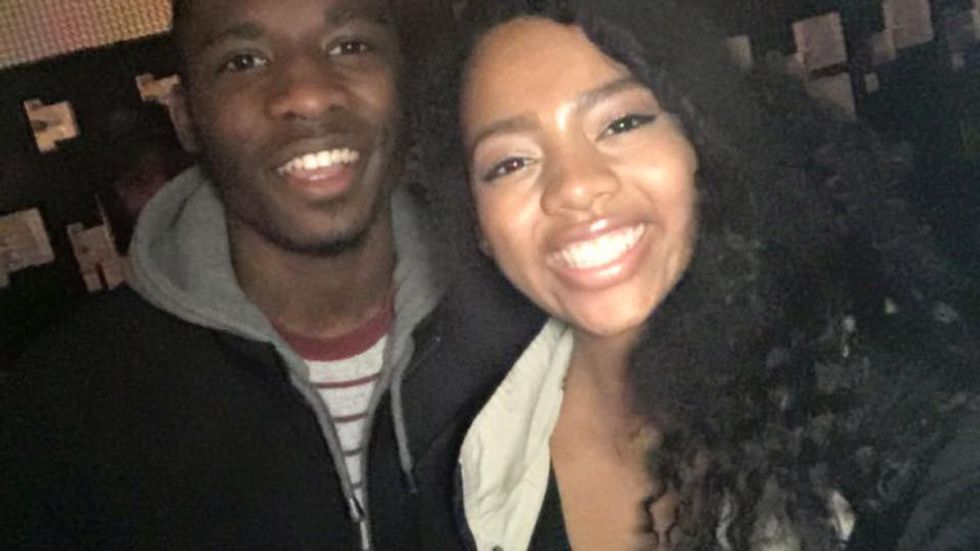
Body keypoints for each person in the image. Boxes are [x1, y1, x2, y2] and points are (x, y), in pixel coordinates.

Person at [410, 1, 980, 549]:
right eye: (510, 162)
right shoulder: (457, 460)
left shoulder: (903, 434)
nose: (574, 187)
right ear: (479, 224)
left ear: (701, 143)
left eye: (621, 123)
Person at [0, 0, 541, 549]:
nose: (307, 95)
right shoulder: (60, 413)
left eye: (349, 46)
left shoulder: (534, 334)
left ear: (403, 85)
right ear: (187, 117)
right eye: (244, 61)